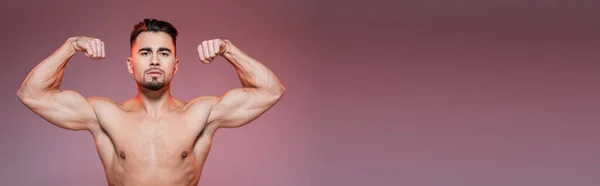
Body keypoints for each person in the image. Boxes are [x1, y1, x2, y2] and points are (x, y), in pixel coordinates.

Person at [16, 18, 285, 186]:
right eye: (145, 53)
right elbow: (33, 94)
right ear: (131, 65)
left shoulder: (201, 114)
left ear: (175, 65)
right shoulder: (105, 115)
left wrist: (228, 49)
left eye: (164, 53)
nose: (155, 60)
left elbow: (270, 90)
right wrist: (70, 46)